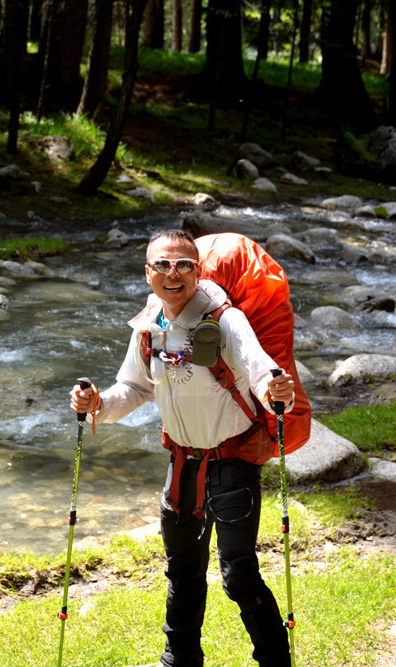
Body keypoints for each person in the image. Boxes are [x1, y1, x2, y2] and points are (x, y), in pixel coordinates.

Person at [69, 228, 295, 666]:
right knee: (183, 573)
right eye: (163, 265)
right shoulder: (149, 327)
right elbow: (133, 388)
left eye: (184, 265)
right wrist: (97, 402)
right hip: (181, 464)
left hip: (232, 462)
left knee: (239, 575)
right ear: (148, 272)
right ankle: (179, 660)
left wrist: (276, 390)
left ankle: (274, 660)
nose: (173, 274)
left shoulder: (225, 320)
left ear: (198, 270)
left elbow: (258, 367)